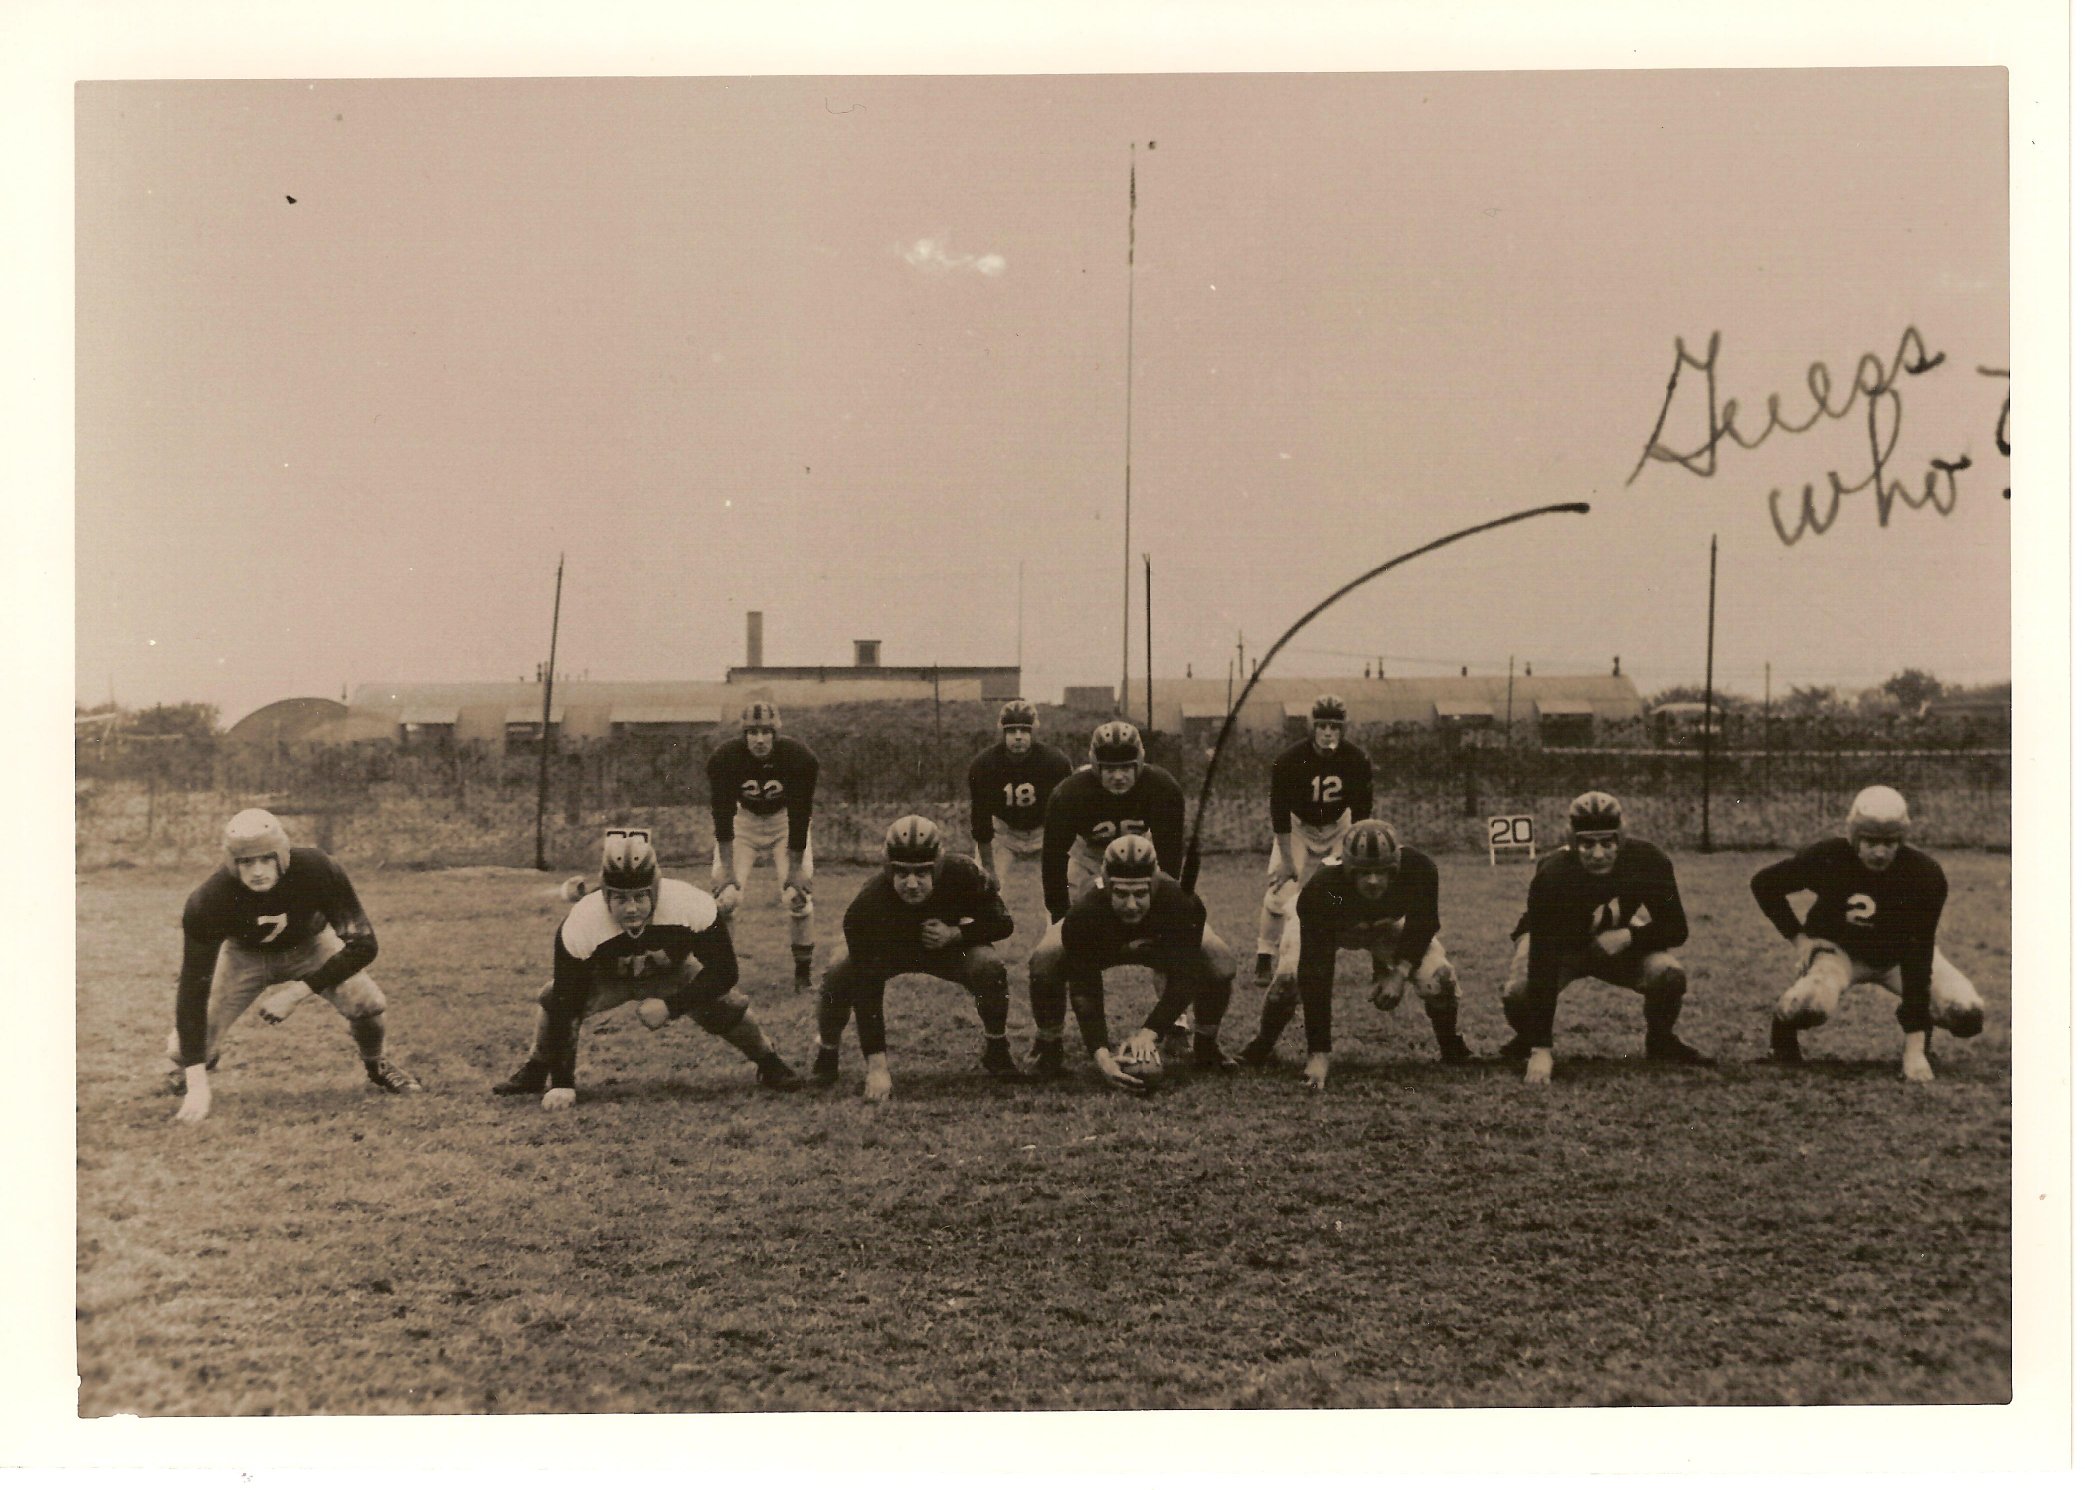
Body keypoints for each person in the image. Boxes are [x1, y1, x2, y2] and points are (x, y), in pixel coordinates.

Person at [493, 828, 802, 1107]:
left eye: (640, 897)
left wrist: (672, 1006)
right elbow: (566, 999)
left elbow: (724, 972)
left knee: (727, 1004)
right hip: (606, 979)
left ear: (655, 889)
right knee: (552, 998)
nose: (631, 908)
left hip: (672, 974)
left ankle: (769, 1060)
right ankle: (536, 1069)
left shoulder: (689, 905)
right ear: (604, 894)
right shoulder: (583, 922)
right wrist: (563, 1084)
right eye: (620, 898)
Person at [164, 808, 421, 1124]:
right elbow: (192, 988)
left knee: (368, 1002)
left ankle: (376, 1063)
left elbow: (364, 946)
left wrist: (298, 992)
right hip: (244, 957)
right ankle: (202, 1063)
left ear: (282, 855)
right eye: (246, 862)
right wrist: (198, 1085)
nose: (257, 871)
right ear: (232, 863)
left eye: (265, 859)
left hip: (311, 946)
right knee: (182, 1049)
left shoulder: (317, 868)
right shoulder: (209, 899)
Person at [1751, 785, 1983, 1082]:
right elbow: (1764, 884)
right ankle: (1782, 1038)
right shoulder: (1830, 857)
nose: (1880, 851)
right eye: (1870, 841)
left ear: (1903, 840)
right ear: (1853, 837)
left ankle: (1925, 1042)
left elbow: (1918, 958)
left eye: (1890, 842)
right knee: (1808, 1005)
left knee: (1967, 1013)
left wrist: (1914, 1049)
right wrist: (1799, 939)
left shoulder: (1923, 875)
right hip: (1840, 953)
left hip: (1900, 958)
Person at [1240, 817, 1472, 1086]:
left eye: (1382, 871)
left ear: (1395, 868)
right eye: (1363, 872)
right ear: (1349, 870)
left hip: (1386, 924)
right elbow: (1317, 971)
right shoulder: (1327, 892)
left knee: (1440, 977)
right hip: (1337, 922)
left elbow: (1424, 924)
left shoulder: (1418, 871)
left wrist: (1398, 973)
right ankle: (1264, 1043)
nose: (1373, 881)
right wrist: (1319, 1053)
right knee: (1288, 983)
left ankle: (1450, 1045)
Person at [1499, 791, 1710, 1086]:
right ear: (1573, 842)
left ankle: (1661, 1040)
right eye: (1587, 844)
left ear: (1621, 839)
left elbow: (1676, 928)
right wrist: (1541, 1049)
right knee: (1520, 993)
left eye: (1607, 843)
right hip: (1559, 941)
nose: (1598, 854)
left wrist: (1629, 936)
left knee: (1669, 974)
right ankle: (1528, 1039)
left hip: (1619, 936)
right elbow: (1543, 957)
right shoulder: (1553, 874)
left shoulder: (1649, 860)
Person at [810, 815, 1022, 1101]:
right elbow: (867, 988)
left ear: (938, 867)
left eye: (921, 873)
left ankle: (997, 1047)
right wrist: (877, 1067)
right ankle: (828, 1050)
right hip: (888, 951)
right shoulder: (867, 905)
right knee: (839, 970)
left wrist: (956, 934)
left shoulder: (964, 874)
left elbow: (1002, 923)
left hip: (946, 948)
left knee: (988, 965)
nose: (912, 884)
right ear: (888, 870)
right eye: (902, 873)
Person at [1030, 721, 1189, 1065]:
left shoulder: (1162, 787)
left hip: (1143, 862)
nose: (1118, 777)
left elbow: (1171, 857)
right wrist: (1060, 918)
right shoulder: (1069, 793)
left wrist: (1165, 905)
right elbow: (1053, 862)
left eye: (1126, 768)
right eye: (1109, 768)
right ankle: (1049, 1039)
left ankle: (1175, 1024)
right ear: (1094, 765)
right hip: (1087, 863)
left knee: (1171, 937)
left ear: (1141, 764)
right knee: (1053, 952)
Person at [1027, 834, 1236, 1086]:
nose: (1131, 905)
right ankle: (1048, 1043)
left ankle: (1206, 1042)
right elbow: (1085, 988)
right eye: (1121, 893)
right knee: (1044, 959)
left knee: (1220, 960)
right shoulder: (1084, 912)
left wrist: (1150, 1033)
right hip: (1104, 939)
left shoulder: (1181, 903)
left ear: (1155, 885)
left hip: (1158, 941)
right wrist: (1101, 1054)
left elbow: (1185, 976)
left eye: (1139, 893)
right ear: (1106, 885)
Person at [1255, 693, 1375, 986]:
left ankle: (1377, 961)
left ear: (1343, 729)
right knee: (1281, 891)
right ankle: (1264, 955)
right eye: (1322, 726)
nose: (1328, 733)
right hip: (1297, 826)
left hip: (1338, 827)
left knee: (1342, 892)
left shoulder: (1356, 759)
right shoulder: (1289, 761)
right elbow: (1280, 814)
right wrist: (1286, 861)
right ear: (1312, 727)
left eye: (1334, 727)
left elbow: (1361, 813)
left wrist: (1353, 853)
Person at [706, 700, 820, 993]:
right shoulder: (724, 758)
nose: (759, 739)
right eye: (752, 732)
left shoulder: (798, 758)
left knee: (798, 898)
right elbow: (722, 814)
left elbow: (799, 814)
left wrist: (795, 870)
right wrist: (727, 869)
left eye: (765, 731)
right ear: (743, 734)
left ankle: (802, 975)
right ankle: (724, 977)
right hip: (743, 823)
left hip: (784, 822)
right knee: (726, 899)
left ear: (775, 732)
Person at [966, 698, 1074, 895]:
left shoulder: (1055, 763)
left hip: (1044, 833)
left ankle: (1061, 926)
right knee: (982, 890)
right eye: (1011, 731)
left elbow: (1067, 816)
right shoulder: (984, 765)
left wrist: (1062, 855)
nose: (1018, 737)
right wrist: (989, 868)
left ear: (1034, 731)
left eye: (1024, 730)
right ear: (1002, 732)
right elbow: (980, 821)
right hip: (1004, 833)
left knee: (1062, 892)